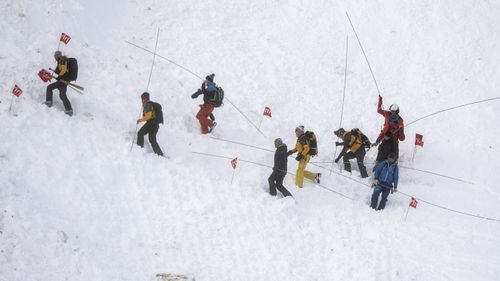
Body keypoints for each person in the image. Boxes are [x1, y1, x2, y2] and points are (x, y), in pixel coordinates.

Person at [43, 51, 74, 116]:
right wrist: (54, 72)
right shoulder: (60, 61)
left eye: (55, 56)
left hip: (63, 80)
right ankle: (69, 110)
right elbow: (60, 70)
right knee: (62, 95)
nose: (55, 57)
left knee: (49, 87)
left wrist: (59, 77)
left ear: (58, 56)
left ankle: (49, 102)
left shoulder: (62, 60)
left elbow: (63, 70)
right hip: (63, 80)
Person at [136, 92, 164, 156]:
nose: (141, 100)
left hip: (151, 123)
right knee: (152, 140)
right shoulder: (151, 105)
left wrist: (140, 120)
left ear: (144, 98)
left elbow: (148, 116)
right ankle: (160, 154)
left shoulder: (148, 104)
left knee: (140, 133)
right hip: (156, 125)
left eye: (142, 98)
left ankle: (139, 150)